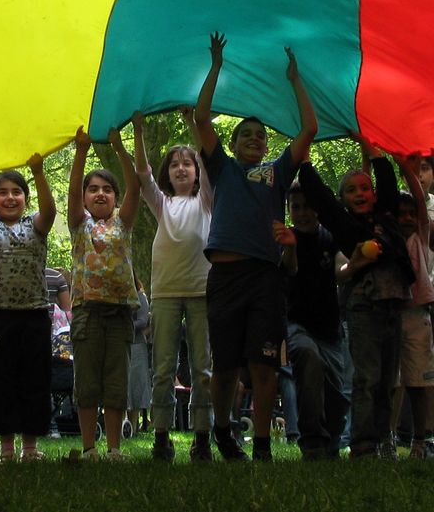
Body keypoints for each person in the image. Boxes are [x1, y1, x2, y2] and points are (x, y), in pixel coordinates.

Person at [194, 32, 317, 461]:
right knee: (225, 365)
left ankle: (262, 446)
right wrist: (215, 66)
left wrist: (295, 79)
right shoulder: (223, 169)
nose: (255, 139)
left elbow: (310, 128)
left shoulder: (277, 173)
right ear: (232, 144)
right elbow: (201, 119)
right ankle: (223, 433)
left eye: (260, 136)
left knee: (265, 364)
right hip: (225, 277)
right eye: (246, 134)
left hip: (266, 279)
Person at [298, 141, 413, 459]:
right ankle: (362, 445)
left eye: (365, 188)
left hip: (394, 306)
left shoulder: (385, 215)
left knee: (388, 381)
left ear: (374, 194)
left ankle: (380, 441)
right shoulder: (344, 226)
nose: (360, 193)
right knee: (366, 378)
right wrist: (304, 161)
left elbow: (388, 183)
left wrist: (373, 150)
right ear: (343, 200)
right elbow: (320, 198)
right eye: (351, 190)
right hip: (364, 307)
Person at [134, 108, 213, 461]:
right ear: (168, 173)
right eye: (174, 164)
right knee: (163, 368)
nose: (181, 168)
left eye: (188, 164)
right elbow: (141, 173)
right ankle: (162, 435)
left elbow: (209, 157)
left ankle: (202, 436)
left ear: (197, 173)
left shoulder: (206, 201)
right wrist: (137, 131)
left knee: (203, 368)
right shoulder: (162, 204)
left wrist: (193, 123)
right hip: (165, 293)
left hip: (202, 292)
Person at [0, 155, 56, 461]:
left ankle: (30, 447)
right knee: (4, 381)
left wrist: (38, 172)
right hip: (0, 315)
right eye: (2, 192)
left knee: (34, 380)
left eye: (16, 192)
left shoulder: (36, 225)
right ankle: (6, 449)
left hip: (35, 314)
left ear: (25, 198)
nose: (10, 197)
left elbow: (50, 211)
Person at [67, 124, 141, 460]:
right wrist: (81, 151)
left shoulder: (122, 223)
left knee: (115, 383)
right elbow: (69, 194)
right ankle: (89, 448)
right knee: (87, 384)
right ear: (84, 197)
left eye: (108, 189)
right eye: (93, 189)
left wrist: (119, 146)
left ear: (115, 196)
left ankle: (113, 448)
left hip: (121, 313)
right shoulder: (79, 224)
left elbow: (136, 187)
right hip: (87, 312)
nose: (100, 194)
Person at [277, 181, 348, 459]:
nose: (303, 213)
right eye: (296, 208)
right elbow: (289, 269)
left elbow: (340, 268)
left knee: (336, 393)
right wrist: (291, 247)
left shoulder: (330, 237)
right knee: (308, 359)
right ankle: (312, 441)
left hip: (329, 328)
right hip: (297, 324)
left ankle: (331, 442)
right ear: (289, 210)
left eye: (308, 206)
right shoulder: (286, 239)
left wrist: (355, 265)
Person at [391, 160, 434, 459]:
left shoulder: (422, 236)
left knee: (419, 381)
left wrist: (405, 166)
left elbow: (420, 201)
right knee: (391, 382)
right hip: (390, 314)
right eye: (400, 214)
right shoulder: (387, 240)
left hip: (418, 315)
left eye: (411, 214)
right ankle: (387, 439)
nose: (407, 218)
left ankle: (421, 439)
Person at [126, 277, 152, 438]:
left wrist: (125, 325)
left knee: (135, 386)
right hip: (121, 344)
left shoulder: (140, 296)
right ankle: (123, 426)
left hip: (136, 345)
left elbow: (143, 321)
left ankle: (133, 427)